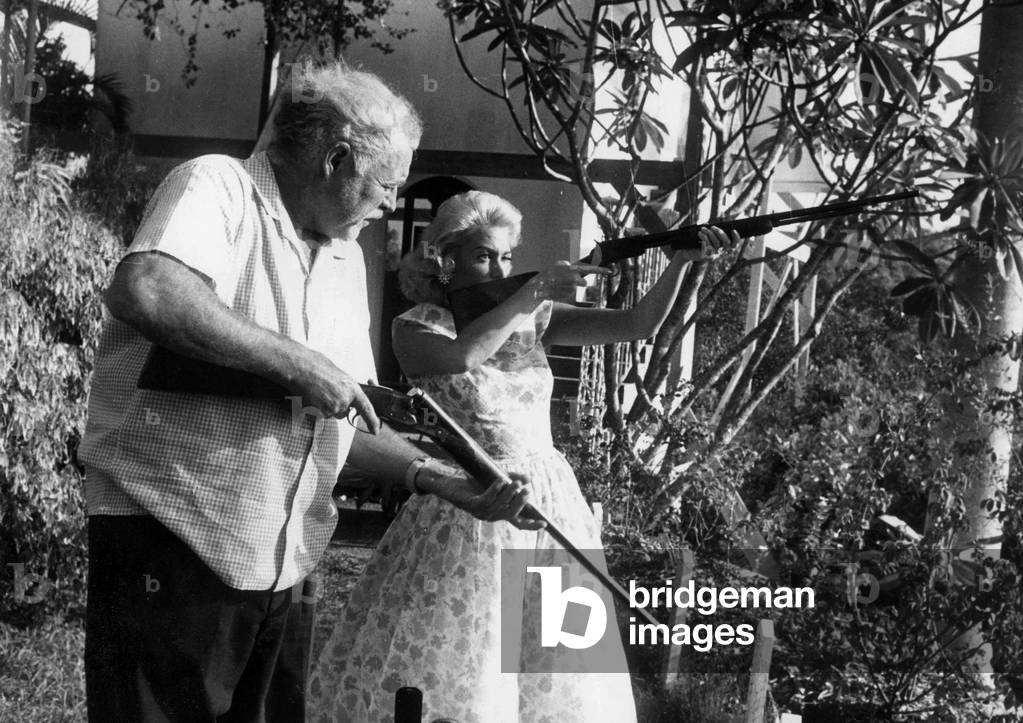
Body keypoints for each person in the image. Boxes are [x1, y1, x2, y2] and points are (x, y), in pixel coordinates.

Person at [78, 65, 540, 722]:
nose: (390, 205)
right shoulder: (219, 186)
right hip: (173, 545)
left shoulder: (345, 258)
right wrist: (301, 366)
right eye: (386, 185)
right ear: (336, 159)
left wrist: (445, 480)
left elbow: (344, 414)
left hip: (285, 567)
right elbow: (148, 289)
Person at [308, 191, 735, 722]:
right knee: (464, 661)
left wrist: (682, 263)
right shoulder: (415, 327)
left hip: (551, 501)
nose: (498, 268)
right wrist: (532, 292)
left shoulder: (535, 317)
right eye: (483, 256)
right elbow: (464, 356)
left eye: (506, 257)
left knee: (562, 668)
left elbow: (638, 324)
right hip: (471, 500)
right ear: (445, 260)